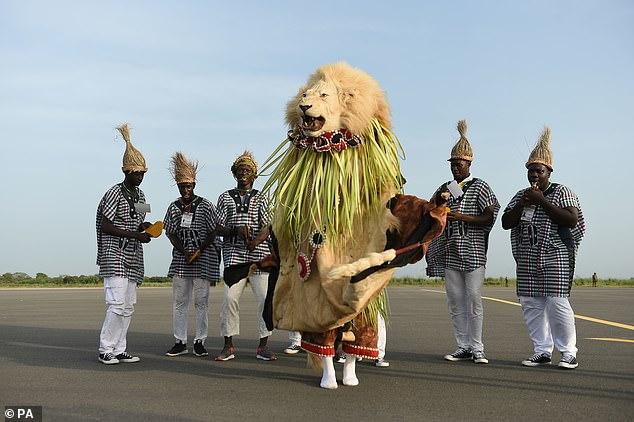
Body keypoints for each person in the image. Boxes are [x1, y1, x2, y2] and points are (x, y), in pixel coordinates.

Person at [502, 127, 585, 369]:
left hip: (555, 254)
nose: (534, 175)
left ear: (549, 171)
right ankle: (541, 350)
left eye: (539, 170)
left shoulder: (562, 191)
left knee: (557, 303)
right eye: (530, 171)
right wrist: (524, 203)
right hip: (527, 256)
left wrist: (541, 201)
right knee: (531, 305)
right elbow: (507, 223)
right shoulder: (522, 194)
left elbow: (571, 220)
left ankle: (568, 352)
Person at [426, 120, 500, 364]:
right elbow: (430, 210)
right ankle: (463, 346)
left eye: (459, 164)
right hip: (450, 252)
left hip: (473, 252)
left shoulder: (479, 186)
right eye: (453, 164)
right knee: (455, 302)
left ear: (469, 164)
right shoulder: (447, 187)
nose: (455, 168)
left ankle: (478, 348)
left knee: (474, 301)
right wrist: (439, 202)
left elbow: (490, 215)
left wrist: (461, 216)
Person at [96, 123, 153, 365]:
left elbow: (140, 221)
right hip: (114, 254)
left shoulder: (141, 196)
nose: (139, 177)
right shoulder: (113, 193)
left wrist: (147, 228)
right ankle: (105, 349)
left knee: (128, 306)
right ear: (125, 171)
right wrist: (134, 235)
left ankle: (120, 348)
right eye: (135, 173)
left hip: (133, 256)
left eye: (142, 174)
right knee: (116, 303)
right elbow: (106, 226)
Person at [214, 151, 276, 361]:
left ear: (254, 175)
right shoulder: (224, 197)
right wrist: (236, 230)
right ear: (234, 173)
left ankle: (263, 345)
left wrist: (256, 241)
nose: (243, 173)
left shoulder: (262, 196)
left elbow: (268, 225)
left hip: (259, 256)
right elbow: (218, 227)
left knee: (265, 300)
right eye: (240, 170)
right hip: (234, 257)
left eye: (248, 170)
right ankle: (228, 345)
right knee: (229, 299)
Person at [164, 152, 220, 358]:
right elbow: (170, 232)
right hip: (181, 259)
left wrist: (199, 250)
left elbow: (214, 230)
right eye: (182, 187)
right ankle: (179, 341)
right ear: (178, 187)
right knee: (180, 301)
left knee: (201, 302)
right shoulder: (173, 207)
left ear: (194, 185)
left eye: (189, 186)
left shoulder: (205, 205)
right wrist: (185, 251)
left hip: (202, 258)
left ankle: (200, 341)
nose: (186, 190)